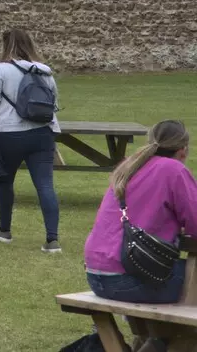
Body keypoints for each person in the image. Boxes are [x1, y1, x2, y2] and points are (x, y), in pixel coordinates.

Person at [83, 120, 197, 302]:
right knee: (192, 278)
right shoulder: (174, 170)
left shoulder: (129, 166)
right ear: (183, 149)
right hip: (130, 278)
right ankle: (167, 332)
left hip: (96, 277)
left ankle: (154, 331)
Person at [0, 27, 61, 252]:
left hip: (7, 133)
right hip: (42, 133)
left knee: (5, 181)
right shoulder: (44, 71)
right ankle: (52, 239)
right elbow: (54, 102)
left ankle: (4, 229)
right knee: (45, 185)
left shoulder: (0, 70)